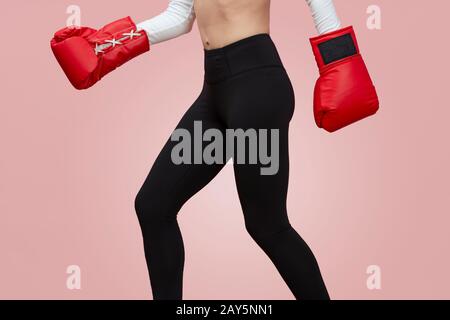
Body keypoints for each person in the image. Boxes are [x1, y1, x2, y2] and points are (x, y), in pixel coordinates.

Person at [51, 0, 379, 300]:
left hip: (257, 90)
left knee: (267, 224)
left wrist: (341, 63)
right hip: (216, 91)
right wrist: (107, 45)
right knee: (153, 206)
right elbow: (180, 17)